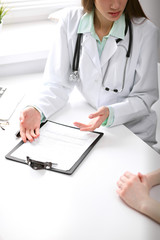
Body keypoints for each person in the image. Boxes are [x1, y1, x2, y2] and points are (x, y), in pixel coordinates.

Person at [19, 0, 159, 145]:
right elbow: (57, 83)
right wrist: (37, 109)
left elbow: (145, 96)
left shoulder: (146, 32)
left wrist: (112, 113)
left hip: (133, 135)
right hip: (95, 130)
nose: (116, 5)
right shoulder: (70, 22)